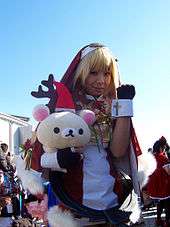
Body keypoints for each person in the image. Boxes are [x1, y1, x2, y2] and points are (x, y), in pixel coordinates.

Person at [31, 43, 145, 226]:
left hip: (110, 191)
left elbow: (117, 151)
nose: (101, 80)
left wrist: (124, 107)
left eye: (107, 73)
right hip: (71, 192)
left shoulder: (112, 104)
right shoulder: (63, 103)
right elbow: (44, 149)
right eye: (93, 72)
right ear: (80, 71)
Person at [147, 137, 170, 227]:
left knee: (160, 204)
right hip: (163, 186)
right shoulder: (163, 158)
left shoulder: (151, 158)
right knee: (168, 205)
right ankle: (167, 222)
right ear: (161, 148)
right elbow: (168, 172)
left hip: (154, 187)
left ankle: (158, 220)